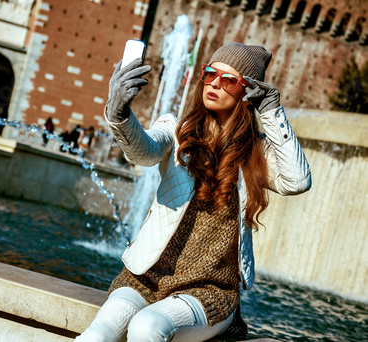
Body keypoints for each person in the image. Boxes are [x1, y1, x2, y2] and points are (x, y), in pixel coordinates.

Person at [75, 42, 312, 341]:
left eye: (228, 80)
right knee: (96, 335)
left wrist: (271, 109)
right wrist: (118, 111)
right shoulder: (176, 130)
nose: (214, 83)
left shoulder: (257, 153)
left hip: (210, 290)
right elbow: (143, 153)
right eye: (210, 73)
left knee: (146, 327)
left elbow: (298, 181)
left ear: (247, 91)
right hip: (146, 278)